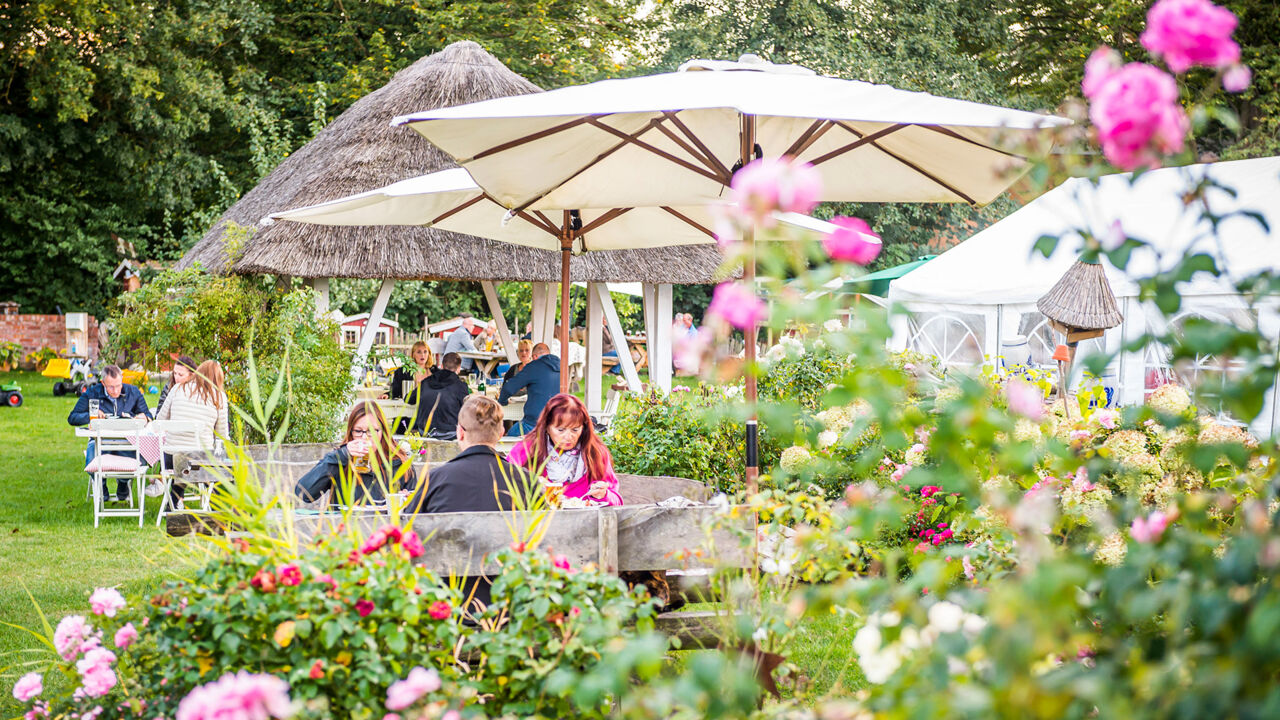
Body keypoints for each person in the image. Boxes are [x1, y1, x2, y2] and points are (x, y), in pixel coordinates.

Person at [405, 395, 532, 610]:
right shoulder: (526, 480)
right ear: (501, 434)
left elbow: (408, 529)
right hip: (509, 599)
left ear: (460, 432)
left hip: (448, 599)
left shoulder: (436, 479)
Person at [505, 393, 623, 506]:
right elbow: (504, 484)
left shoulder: (595, 452)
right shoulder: (527, 449)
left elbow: (617, 501)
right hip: (536, 523)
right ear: (546, 427)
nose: (568, 436)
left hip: (584, 522)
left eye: (575, 430)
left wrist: (604, 494)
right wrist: (530, 484)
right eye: (561, 430)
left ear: (584, 428)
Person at [295, 403, 417, 507]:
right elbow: (304, 494)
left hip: (384, 531)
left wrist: (407, 500)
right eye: (358, 431)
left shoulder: (400, 463)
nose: (364, 437)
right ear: (351, 432)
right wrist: (341, 455)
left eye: (372, 431)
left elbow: (416, 508)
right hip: (345, 530)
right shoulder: (339, 460)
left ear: (383, 432)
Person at [68, 365, 154, 502]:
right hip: (100, 442)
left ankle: (124, 483)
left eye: (118, 386)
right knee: (91, 460)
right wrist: (91, 415)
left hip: (128, 443)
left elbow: (148, 415)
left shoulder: (133, 392)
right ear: (103, 383)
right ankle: (102, 486)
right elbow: (72, 418)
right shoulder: (92, 393)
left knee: (140, 460)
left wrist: (145, 418)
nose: (115, 391)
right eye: (111, 387)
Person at [153, 360, 229, 510]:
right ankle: (215, 506)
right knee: (221, 468)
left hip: (169, 459)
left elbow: (160, 420)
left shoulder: (177, 389)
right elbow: (222, 435)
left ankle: (173, 502)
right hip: (199, 460)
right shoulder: (219, 396)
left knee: (183, 458)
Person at [498, 343, 559, 436]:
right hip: (558, 421)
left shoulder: (534, 366)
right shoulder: (561, 366)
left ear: (534, 356)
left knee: (507, 439)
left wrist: (502, 401)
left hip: (535, 422)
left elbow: (508, 387)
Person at [411, 352, 470, 440]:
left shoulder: (426, 381)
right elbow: (467, 408)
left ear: (441, 366)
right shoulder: (460, 386)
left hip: (425, 431)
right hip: (451, 432)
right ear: (458, 369)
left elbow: (409, 399)